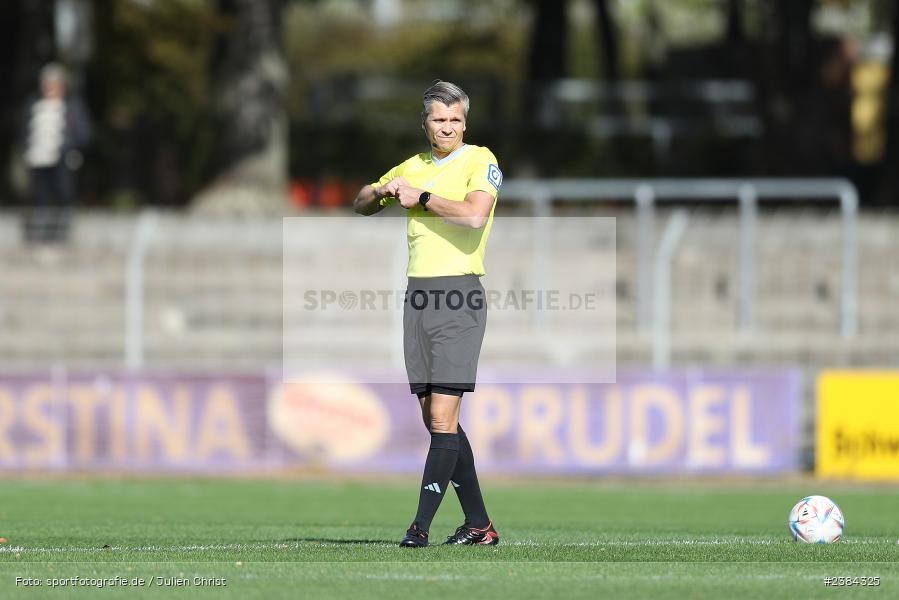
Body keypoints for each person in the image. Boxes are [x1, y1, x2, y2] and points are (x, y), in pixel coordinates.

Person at [354, 81, 503, 547]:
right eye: (440, 120)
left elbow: (475, 216)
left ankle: (419, 527)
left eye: (456, 119)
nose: (449, 128)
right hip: (418, 298)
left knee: (442, 417)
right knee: (435, 419)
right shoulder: (413, 166)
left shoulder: (481, 159)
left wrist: (420, 198)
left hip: (459, 294)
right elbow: (360, 204)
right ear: (425, 124)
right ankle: (479, 525)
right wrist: (383, 190)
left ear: (466, 123)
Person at [21, 63, 92, 243]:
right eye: (47, 84)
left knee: (64, 193)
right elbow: (24, 132)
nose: (50, 88)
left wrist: (72, 148)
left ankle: (63, 233)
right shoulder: (33, 104)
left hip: (62, 158)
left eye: (54, 84)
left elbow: (83, 133)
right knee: (40, 196)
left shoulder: (72, 105)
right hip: (38, 158)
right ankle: (39, 234)